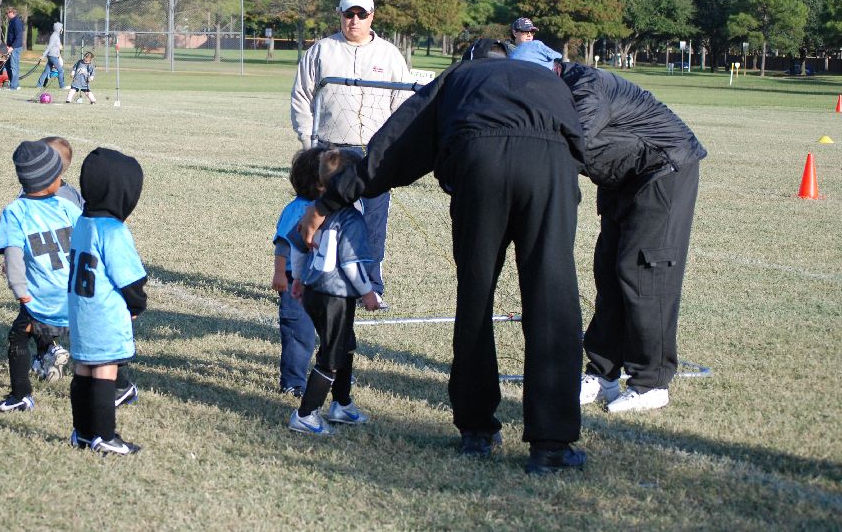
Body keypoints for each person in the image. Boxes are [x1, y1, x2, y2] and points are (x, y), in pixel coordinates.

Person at [297, 54, 588, 474]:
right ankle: (551, 447)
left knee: (475, 299)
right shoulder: (549, 79)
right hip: (550, 163)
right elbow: (582, 140)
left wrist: (328, 202)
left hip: (480, 159)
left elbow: (395, 144)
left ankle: (477, 431)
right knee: (552, 300)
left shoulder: (459, 75)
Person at [509, 40, 706, 413]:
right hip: (621, 179)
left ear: (554, 69)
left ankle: (651, 383)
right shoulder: (551, 92)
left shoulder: (588, 88)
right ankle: (602, 374)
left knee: (644, 272)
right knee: (608, 272)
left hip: (662, 171)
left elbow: (570, 143)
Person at [290, 0, 410, 308]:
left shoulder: (389, 55)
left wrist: (393, 149)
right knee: (326, 218)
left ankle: (371, 286)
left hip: (373, 154)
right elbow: (301, 96)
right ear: (340, 15)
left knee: (373, 222)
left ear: (372, 16)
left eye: (361, 14)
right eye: (348, 14)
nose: (354, 20)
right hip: (330, 152)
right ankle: (319, 282)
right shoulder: (321, 51)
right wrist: (309, 144)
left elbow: (403, 104)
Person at [287, 148, 380, 436]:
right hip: (334, 296)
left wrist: (298, 279)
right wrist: (368, 292)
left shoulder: (314, 213)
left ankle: (341, 403)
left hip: (314, 291)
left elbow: (297, 245)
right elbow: (351, 265)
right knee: (332, 354)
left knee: (345, 344)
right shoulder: (351, 219)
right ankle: (305, 414)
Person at [67, 148, 148, 455]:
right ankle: (104, 436)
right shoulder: (113, 231)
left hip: (81, 311)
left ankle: (82, 432)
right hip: (105, 313)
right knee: (105, 370)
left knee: (84, 369)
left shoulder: (82, 222)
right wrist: (137, 305)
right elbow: (129, 279)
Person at [0, 141, 83, 412]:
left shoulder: (14, 211)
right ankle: (115, 385)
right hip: (74, 295)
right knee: (90, 339)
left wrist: (19, 288)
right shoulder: (67, 207)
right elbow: (89, 241)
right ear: (52, 180)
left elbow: (13, 256)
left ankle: (21, 394)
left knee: (18, 337)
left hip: (39, 299)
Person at [271, 148, 322, 397]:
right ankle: (293, 382)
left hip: (322, 281)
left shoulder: (328, 207)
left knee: (330, 332)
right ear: (317, 182)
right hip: (295, 283)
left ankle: (332, 373)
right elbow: (283, 243)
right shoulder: (297, 210)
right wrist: (279, 273)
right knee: (298, 333)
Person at [37, 22, 65, 89]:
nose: (62, 29)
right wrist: (43, 56)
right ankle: (62, 86)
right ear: (58, 28)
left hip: (54, 56)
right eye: (61, 28)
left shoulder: (56, 36)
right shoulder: (54, 36)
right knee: (60, 70)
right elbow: (49, 46)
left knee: (46, 71)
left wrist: (59, 53)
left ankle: (39, 85)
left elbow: (57, 47)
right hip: (53, 56)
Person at [5, 7, 23, 90]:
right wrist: (8, 45)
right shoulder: (11, 21)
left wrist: (12, 47)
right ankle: (15, 84)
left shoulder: (16, 22)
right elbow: (11, 36)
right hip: (10, 47)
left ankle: (13, 86)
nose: (7, 14)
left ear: (12, 12)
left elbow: (18, 37)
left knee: (14, 66)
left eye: (7, 13)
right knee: (7, 65)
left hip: (15, 48)